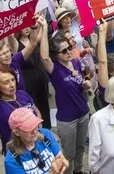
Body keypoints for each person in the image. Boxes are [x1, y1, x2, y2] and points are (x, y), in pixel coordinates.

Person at [40, 15, 90, 174]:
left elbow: (80, 86)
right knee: (68, 153)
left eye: (69, 47)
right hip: (67, 119)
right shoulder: (54, 70)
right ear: (56, 55)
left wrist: (85, 85)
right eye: (64, 51)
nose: (69, 51)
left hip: (83, 113)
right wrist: (43, 29)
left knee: (80, 147)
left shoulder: (76, 63)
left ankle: (79, 170)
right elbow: (44, 56)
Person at [0, 49, 41, 153]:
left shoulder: (22, 94)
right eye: (6, 82)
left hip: (36, 143)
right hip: (17, 151)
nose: (12, 85)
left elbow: (36, 111)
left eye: (12, 80)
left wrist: (38, 129)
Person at [4, 108, 69, 174]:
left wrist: (63, 162)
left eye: (34, 124)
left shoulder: (46, 134)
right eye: (28, 128)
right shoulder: (12, 161)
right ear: (16, 132)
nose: (35, 131)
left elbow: (59, 157)